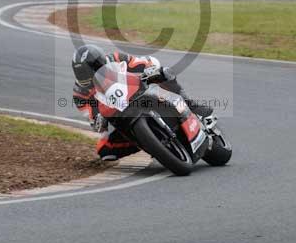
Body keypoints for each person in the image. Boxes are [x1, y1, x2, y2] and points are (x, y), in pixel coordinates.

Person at [72, 44, 213, 161]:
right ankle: (149, 143)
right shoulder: (80, 94)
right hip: (118, 114)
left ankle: (191, 105)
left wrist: (150, 69)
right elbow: (92, 117)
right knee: (104, 150)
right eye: (84, 74)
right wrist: (98, 121)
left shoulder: (115, 59)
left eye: (93, 70)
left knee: (165, 73)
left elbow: (141, 63)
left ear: (102, 62)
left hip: (139, 92)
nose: (89, 76)